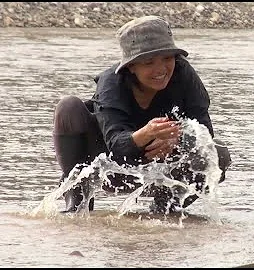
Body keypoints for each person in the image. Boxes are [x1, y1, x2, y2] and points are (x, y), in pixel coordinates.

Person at [52, 15, 231, 214]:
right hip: (108, 166)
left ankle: (166, 210)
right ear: (131, 66)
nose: (161, 69)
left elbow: (204, 130)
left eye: (167, 58)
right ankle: (77, 201)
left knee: (218, 154)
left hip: (158, 167)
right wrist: (145, 134)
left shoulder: (184, 75)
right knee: (68, 107)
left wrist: (177, 140)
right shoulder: (111, 84)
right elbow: (116, 144)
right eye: (148, 62)